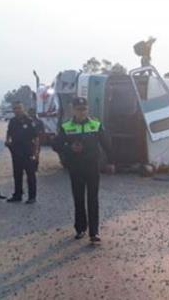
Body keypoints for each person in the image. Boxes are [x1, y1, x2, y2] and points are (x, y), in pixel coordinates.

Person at [54, 97, 115, 243]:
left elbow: (107, 144)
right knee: (78, 199)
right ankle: (80, 229)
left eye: (84, 109)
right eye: (78, 109)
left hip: (92, 167)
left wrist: (111, 162)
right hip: (75, 168)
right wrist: (69, 148)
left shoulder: (96, 124)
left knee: (93, 199)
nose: (81, 112)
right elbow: (56, 145)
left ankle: (94, 232)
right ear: (73, 110)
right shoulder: (66, 126)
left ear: (87, 109)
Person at [6, 102, 39, 204]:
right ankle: (17, 195)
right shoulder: (12, 121)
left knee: (30, 175)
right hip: (16, 151)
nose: (17, 110)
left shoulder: (29, 121)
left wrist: (36, 152)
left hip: (28, 151)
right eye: (15, 108)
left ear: (23, 109)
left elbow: (36, 137)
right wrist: (8, 141)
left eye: (19, 108)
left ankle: (32, 197)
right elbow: (9, 133)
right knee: (17, 174)